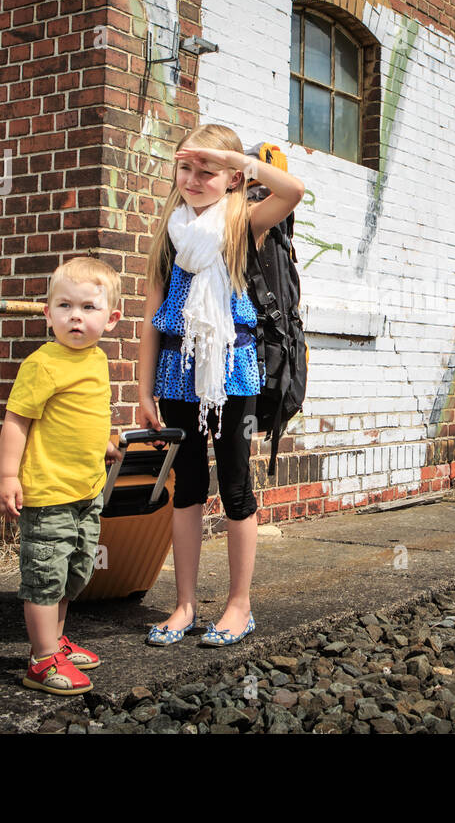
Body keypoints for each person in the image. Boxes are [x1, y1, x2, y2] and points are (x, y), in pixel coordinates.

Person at [137, 124, 304, 647]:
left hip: (235, 371)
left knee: (234, 485)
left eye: (206, 170)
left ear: (231, 178)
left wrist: (239, 163)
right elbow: (150, 319)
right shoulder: (169, 234)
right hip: (176, 374)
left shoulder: (243, 224)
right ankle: (184, 605)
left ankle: (238, 605)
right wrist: (142, 390)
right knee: (185, 488)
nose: (193, 178)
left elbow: (293, 191)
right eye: (185, 167)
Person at [0, 257, 124, 694]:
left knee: (73, 571)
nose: (75, 316)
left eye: (89, 308)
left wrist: (105, 440)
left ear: (111, 319)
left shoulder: (98, 361)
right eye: (64, 306)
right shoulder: (43, 364)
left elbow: (90, 411)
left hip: (87, 491)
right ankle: (41, 661)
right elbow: (17, 420)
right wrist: (8, 476)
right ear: (47, 313)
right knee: (45, 577)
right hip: (48, 494)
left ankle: (55, 643)